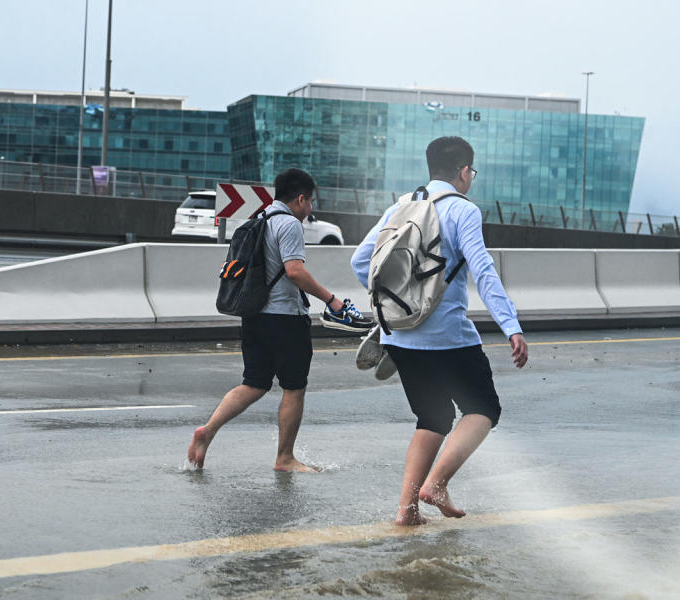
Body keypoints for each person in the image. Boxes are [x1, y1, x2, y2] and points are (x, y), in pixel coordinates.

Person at [351, 136, 529, 525]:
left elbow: (360, 260)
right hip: (446, 335)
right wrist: (510, 325)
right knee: (483, 408)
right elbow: (483, 270)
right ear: (464, 172)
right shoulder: (464, 211)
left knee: (432, 417)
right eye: (472, 172)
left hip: (397, 334)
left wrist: (399, 304)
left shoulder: (402, 205)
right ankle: (436, 485)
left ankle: (406, 511)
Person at [188, 168, 373, 472]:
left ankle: (206, 431)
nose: (310, 208)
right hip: (285, 318)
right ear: (300, 198)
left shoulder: (259, 220)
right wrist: (332, 300)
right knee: (294, 387)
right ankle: (285, 458)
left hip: (255, 316)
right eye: (310, 202)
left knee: (254, 383)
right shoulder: (289, 224)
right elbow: (294, 271)